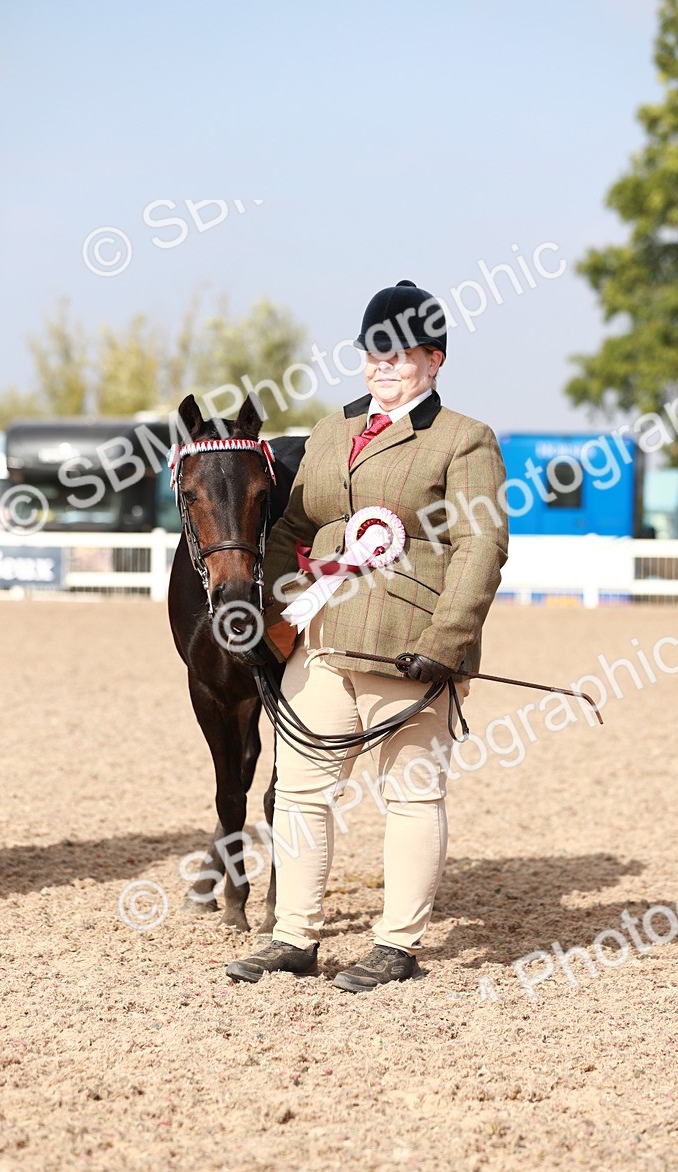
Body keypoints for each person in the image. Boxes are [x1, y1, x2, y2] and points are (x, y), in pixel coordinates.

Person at [226, 280, 508, 992]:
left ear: (434, 360)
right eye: (373, 351)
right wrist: (277, 611)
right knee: (299, 791)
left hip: (407, 643)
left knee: (410, 794)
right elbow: (293, 526)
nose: (383, 365)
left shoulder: (463, 439)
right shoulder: (330, 431)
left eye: (401, 353)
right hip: (320, 642)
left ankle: (397, 943)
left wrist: (447, 643)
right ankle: (293, 936)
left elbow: (481, 545)